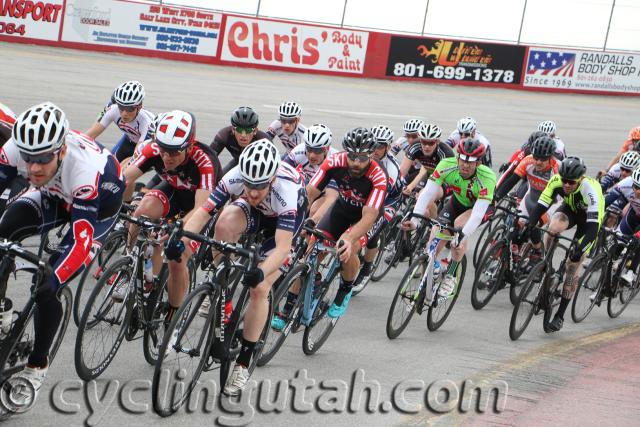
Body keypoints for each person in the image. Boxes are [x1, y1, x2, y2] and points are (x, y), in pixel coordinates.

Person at [0, 102, 125, 408]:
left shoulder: (85, 170)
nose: (33, 168)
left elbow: (83, 240)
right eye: (29, 159)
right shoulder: (17, 147)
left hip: (97, 207)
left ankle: (36, 366)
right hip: (53, 193)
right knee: (4, 230)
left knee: (45, 288)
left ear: (61, 150)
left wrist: (54, 278)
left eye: (42, 159)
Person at [164, 139, 306, 396]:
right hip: (257, 213)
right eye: (249, 185)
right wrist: (181, 239)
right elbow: (204, 212)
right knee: (224, 222)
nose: (252, 192)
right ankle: (223, 286)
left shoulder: (286, 190)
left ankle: (244, 361)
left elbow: (283, 248)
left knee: (259, 288)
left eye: (260, 186)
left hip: (283, 225)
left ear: (272, 179)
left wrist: (261, 271)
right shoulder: (236, 176)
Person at [121, 111, 221, 316]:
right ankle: (128, 264)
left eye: (174, 152)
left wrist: (178, 227)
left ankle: (173, 315)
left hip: (200, 206)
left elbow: (202, 207)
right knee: (142, 211)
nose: (166, 157)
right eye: (164, 150)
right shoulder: (154, 150)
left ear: (190, 147)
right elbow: (123, 179)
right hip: (175, 191)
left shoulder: (205, 161)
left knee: (178, 257)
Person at [306, 127, 388, 315]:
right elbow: (309, 194)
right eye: (352, 156)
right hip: (343, 209)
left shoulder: (378, 174)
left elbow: (369, 215)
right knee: (313, 244)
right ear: (345, 153)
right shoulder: (334, 162)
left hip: (368, 216)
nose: (356, 163)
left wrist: (350, 239)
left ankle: (345, 289)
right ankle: (313, 281)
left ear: (371, 155)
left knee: (345, 246)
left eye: (362, 158)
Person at [403, 138, 496, 297]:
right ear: (457, 157)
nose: (465, 165)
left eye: (471, 162)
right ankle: (434, 270)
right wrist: (415, 220)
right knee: (435, 238)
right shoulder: (446, 165)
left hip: (478, 208)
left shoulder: (487, 177)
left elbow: (477, 214)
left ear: (478, 163)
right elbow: (427, 193)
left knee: (459, 229)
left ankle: (452, 275)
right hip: (457, 202)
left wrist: (461, 236)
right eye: (462, 160)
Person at [525, 157, 604, 332]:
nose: (566, 185)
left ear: (580, 179)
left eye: (571, 182)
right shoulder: (556, 180)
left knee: (572, 266)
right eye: (564, 181)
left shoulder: (590, 190)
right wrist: (530, 225)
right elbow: (541, 206)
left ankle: (560, 315)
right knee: (552, 228)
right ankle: (546, 263)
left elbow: (593, 227)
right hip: (570, 210)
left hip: (589, 222)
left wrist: (581, 248)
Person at [494, 136, 560, 263]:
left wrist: (534, 217)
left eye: (543, 159)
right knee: (516, 225)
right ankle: (509, 261)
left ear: (551, 158)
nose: (538, 162)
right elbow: (512, 181)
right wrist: (496, 198)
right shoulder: (527, 161)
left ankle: (537, 250)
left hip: (552, 202)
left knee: (533, 224)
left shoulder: (556, 170)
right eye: (536, 157)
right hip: (532, 196)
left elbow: (553, 197)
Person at [352, 125, 402, 289]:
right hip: (368, 196)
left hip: (388, 202)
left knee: (372, 230)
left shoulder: (392, 168)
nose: (376, 150)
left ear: (388, 147)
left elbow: (379, 200)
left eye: (380, 146)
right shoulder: (363, 157)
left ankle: (367, 268)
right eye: (373, 145)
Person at [85, 81, 154, 162]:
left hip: (150, 149)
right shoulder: (112, 108)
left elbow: (135, 160)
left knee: (123, 170)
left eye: (129, 109)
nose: (124, 113)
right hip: (128, 140)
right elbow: (89, 136)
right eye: (121, 107)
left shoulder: (147, 123)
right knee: (108, 163)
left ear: (139, 107)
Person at [283, 123, 338, 217]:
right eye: (309, 149)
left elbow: (331, 197)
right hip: (312, 186)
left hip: (331, 192)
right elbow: (282, 173)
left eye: (317, 151)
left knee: (315, 210)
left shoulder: (335, 160)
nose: (312, 155)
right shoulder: (299, 151)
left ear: (327, 149)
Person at [604, 167, 640, 285]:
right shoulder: (626, 183)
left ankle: (632, 272)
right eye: (636, 187)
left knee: (638, 241)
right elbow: (607, 201)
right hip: (634, 215)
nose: (638, 192)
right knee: (617, 242)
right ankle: (604, 287)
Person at [211, 106, 271, 175]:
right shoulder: (224, 136)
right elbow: (209, 159)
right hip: (238, 162)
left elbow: (274, 167)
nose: (243, 135)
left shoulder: (264, 141)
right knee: (219, 182)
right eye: (239, 130)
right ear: (233, 130)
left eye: (248, 130)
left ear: (255, 131)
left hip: (258, 168)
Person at [401, 123, 455, 200]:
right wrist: (407, 187)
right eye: (424, 142)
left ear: (437, 142)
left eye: (431, 143)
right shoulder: (415, 146)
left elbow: (439, 179)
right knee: (415, 194)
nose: (427, 146)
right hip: (430, 173)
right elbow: (402, 172)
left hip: (446, 180)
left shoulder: (445, 153)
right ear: (420, 140)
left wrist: (418, 189)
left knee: (425, 198)